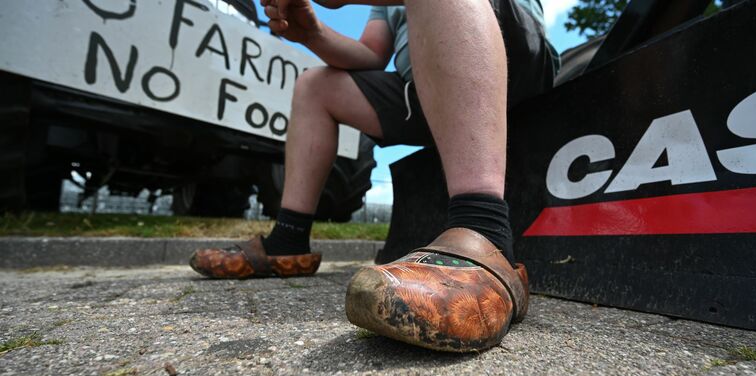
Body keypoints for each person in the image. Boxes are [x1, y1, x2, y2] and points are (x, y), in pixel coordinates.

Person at [190, 0, 559, 352]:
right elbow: (371, 53)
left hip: (512, 52)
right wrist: (312, 34)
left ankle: (485, 230)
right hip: (422, 85)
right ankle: (288, 240)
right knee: (315, 85)